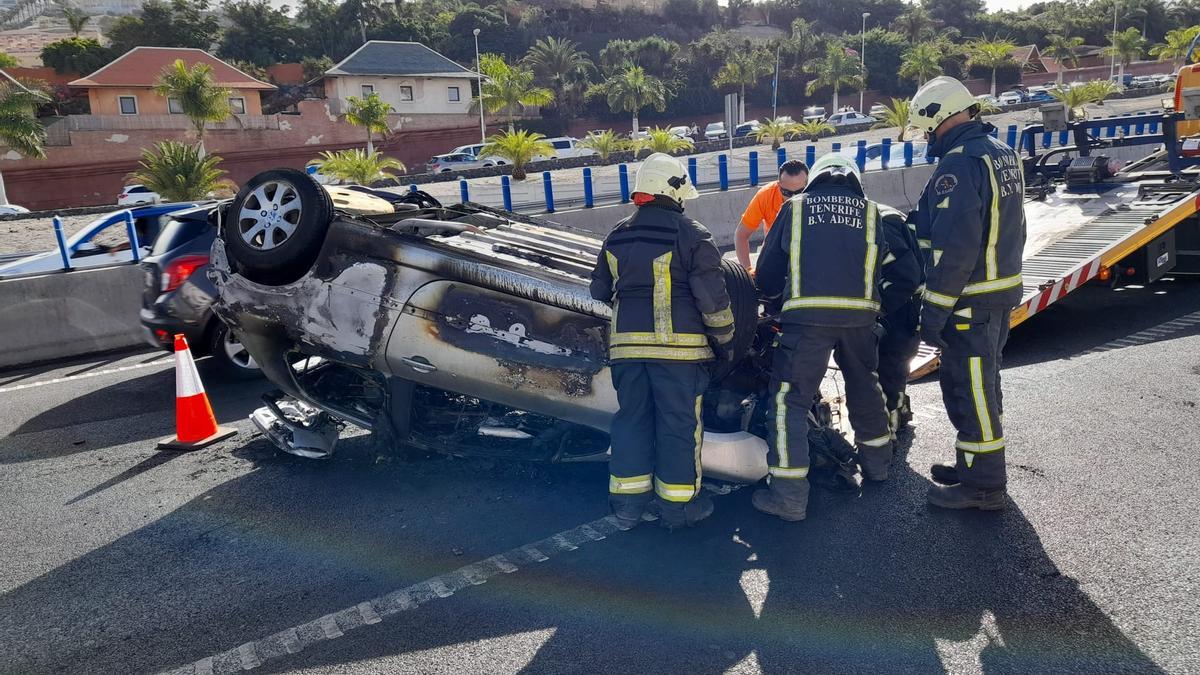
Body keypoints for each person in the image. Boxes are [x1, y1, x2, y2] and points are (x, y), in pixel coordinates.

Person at [589, 152, 735, 530]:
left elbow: (598, 290)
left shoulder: (617, 234)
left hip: (625, 352)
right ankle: (677, 508)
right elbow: (712, 299)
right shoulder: (692, 234)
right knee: (678, 426)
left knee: (632, 422)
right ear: (673, 191)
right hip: (679, 354)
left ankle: (627, 507)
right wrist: (726, 338)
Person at [752, 153, 892, 522]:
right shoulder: (872, 212)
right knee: (866, 386)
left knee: (788, 403)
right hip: (861, 320)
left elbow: (766, 272)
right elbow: (881, 265)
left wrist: (772, 299)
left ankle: (789, 497)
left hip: (807, 321)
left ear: (815, 180)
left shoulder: (796, 209)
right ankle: (878, 467)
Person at [909, 76, 1026, 511]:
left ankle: (984, 487)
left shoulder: (959, 164)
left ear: (940, 117)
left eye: (927, 127)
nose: (928, 137)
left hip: (969, 299)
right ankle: (973, 467)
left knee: (969, 388)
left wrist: (933, 312)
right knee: (983, 383)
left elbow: (953, 249)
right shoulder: (1001, 154)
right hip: (998, 292)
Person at [877, 206, 924, 436]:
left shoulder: (881, 226)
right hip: (900, 304)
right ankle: (900, 407)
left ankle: (889, 432)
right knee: (894, 366)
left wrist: (878, 308)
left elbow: (905, 278)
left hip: (901, 307)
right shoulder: (875, 214)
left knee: (888, 364)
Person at [734, 160, 809, 273]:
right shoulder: (765, 195)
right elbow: (741, 235)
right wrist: (748, 271)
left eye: (799, 192)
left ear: (809, 185)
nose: (793, 198)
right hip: (775, 252)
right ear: (779, 186)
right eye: (787, 193)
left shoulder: (818, 194)